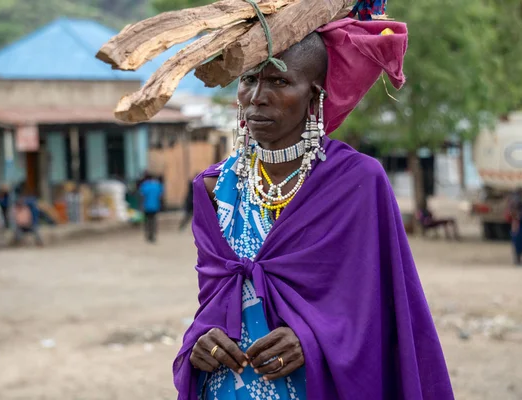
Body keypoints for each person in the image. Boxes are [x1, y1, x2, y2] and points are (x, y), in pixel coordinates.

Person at [173, 8, 453, 400]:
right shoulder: (214, 187)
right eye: (249, 79)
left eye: (278, 81)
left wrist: (311, 338)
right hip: (228, 386)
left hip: (319, 384)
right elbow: (215, 301)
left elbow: (381, 307)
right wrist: (200, 339)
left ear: (315, 95)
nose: (257, 98)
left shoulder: (357, 181)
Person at [139, 173, 164, 242]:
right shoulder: (157, 185)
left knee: (147, 221)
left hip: (146, 206)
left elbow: (142, 197)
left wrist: (141, 206)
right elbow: (160, 196)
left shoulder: (144, 185)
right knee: (154, 221)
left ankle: (148, 235)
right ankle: (153, 235)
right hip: (155, 206)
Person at [509, 187, 522, 265]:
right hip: (518, 224)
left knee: (518, 242)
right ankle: (518, 259)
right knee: (518, 242)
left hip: (518, 223)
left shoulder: (515, 200)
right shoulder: (517, 200)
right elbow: (514, 212)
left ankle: (518, 259)